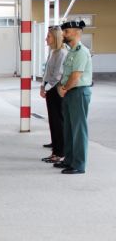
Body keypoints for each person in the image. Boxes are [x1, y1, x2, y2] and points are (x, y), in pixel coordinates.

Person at [53, 20, 93, 175]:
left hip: (78, 92)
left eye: (66, 31)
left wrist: (64, 88)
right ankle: (69, 160)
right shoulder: (71, 51)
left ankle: (79, 164)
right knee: (68, 128)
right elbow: (67, 73)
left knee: (78, 129)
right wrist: (61, 87)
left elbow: (76, 75)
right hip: (69, 92)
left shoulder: (82, 51)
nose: (63, 34)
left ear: (77, 32)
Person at [40, 26, 68, 163]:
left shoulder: (62, 53)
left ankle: (60, 152)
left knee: (58, 122)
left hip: (56, 90)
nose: (46, 38)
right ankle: (55, 149)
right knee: (53, 121)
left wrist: (47, 87)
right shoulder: (53, 52)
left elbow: (58, 75)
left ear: (55, 37)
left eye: (48, 36)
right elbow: (47, 71)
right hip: (50, 89)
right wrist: (42, 85)